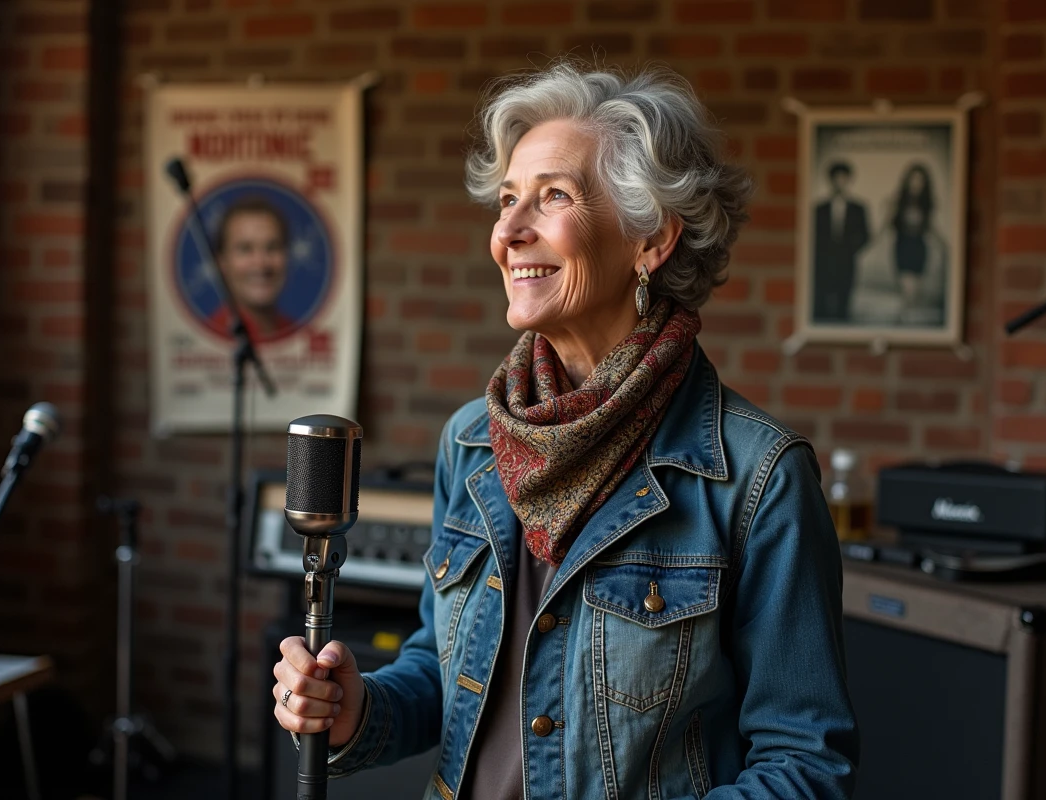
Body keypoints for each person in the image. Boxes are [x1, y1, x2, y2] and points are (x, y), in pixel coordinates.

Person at [272, 63, 859, 799]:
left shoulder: (759, 476)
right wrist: (359, 709)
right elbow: (445, 670)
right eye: (507, 199)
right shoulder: (473, 440)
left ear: (651, 239)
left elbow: (805, 766)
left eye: (553, 196)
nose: (509, 232)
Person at [205, 195, 295, 342]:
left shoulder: (297, 335)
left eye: (272, 247)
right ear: (221, 262)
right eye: (245, 249)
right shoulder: (206, 339)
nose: (261, 263)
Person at [812, 161, 870, 323]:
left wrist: (850, 250)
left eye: (844, 178)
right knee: (822, 302)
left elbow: (866, 235)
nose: (840, 182)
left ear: (849, 180)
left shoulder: (858, 208)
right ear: (831, 180)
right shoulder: (819, 209)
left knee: (844, 300)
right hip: (823, 262)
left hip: (846, 262)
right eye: (837, 178)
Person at [890, 164, 934, 317]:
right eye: (913, 179)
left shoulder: (928, 203)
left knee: (916, 287)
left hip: (918, 246)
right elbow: (889, 224)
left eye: (919, 180)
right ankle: (905, 314)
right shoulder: (899, 201)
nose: (916, 183)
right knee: (905, 286)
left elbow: (933, 228)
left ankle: (910, 314)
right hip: (903, 245)